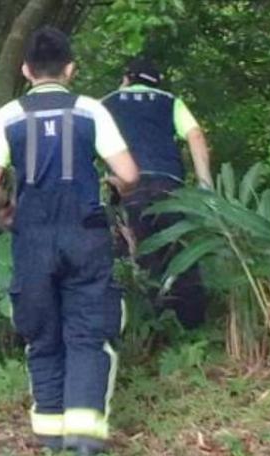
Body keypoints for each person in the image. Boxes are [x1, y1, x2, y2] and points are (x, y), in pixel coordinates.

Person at [0, 26, 139, 455]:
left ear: (26, 70)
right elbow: (129, 174)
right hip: (85, 236)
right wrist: (115, 187)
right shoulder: (91, 111)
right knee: (88, 332)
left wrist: (6, 209)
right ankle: (84, 437)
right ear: (70, 69)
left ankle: (50, 435)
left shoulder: (8, 116)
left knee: (42, 333)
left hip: (32, 239)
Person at [102, 57, 212, 329]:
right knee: (181, 253)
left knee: (139, 255)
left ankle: (152, 329)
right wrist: (205, 184)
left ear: (126, 78)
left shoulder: (106, 103)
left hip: (129, 186)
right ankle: (193, 329)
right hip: (169, 184)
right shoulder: (169, 101)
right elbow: (195, 135)